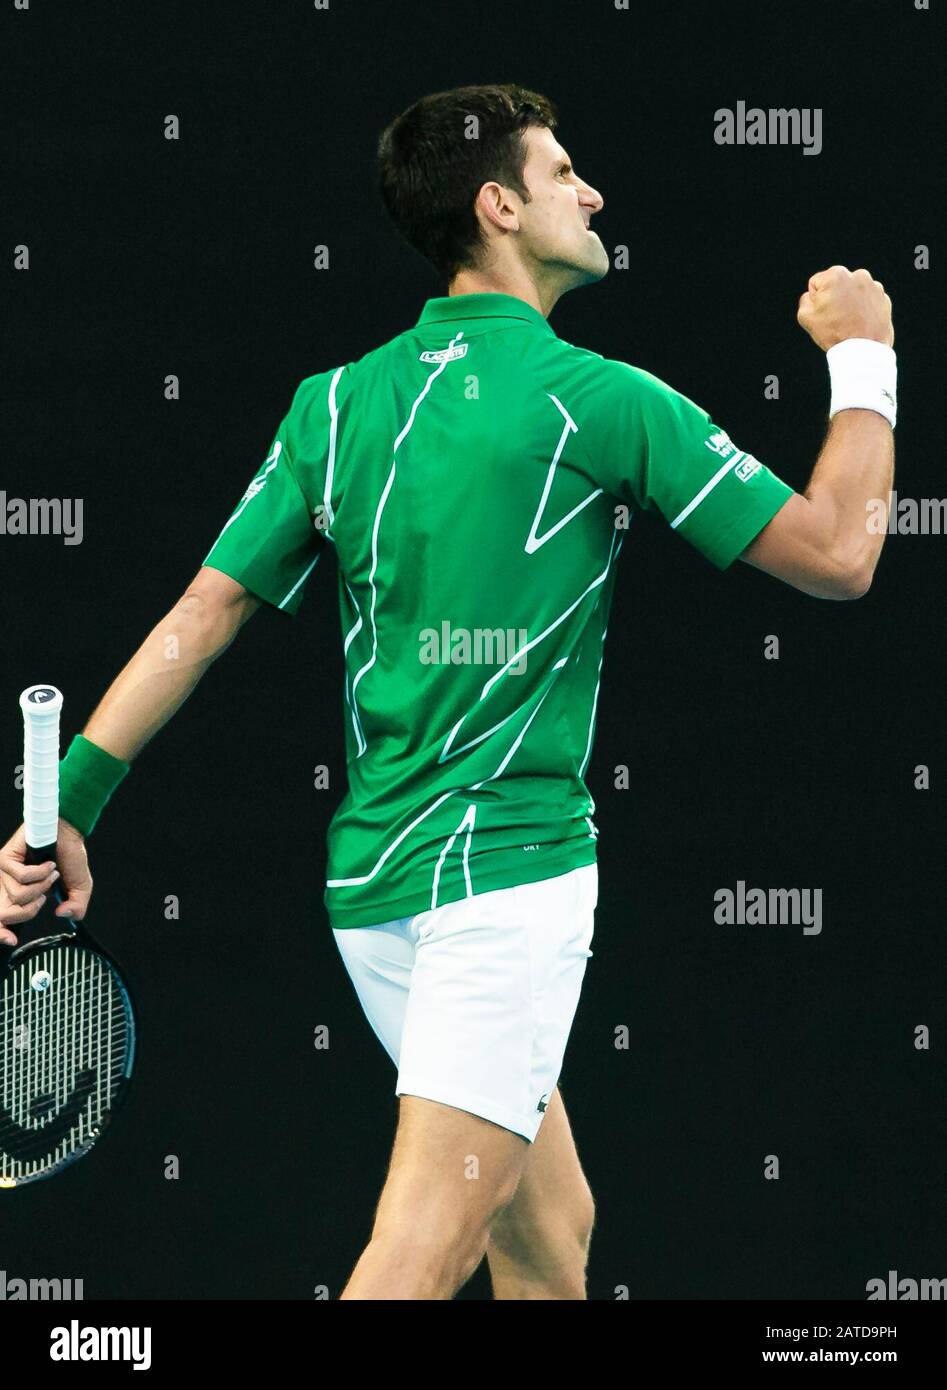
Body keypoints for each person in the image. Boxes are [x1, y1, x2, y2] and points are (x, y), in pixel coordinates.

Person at [0, 84, 896, 1300]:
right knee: (416, 1262)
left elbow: (197, 619)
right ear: (498, 207)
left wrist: (74, 803)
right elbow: (843, 551)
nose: (592, 193)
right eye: (563, 171)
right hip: (507, 886)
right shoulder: (603, 398)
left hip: (375, 896)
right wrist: (863, 354)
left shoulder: (333, 405)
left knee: (547, 1232)